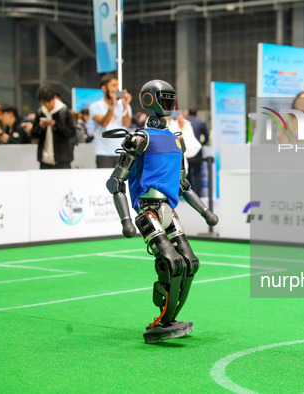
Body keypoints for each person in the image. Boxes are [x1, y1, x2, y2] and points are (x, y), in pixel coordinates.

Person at [104, 79, 217, 343]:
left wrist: (205, 212)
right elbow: (115, 182)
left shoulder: (177, 141)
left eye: (170, 97)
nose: (168, 102)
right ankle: (162, 321)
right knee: (170, 261)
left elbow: (182, 184)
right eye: (163, 97)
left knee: (190, 262)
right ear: (149, 100)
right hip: (148, 210)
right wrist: (126, 220)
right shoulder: (139, 139)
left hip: (167, 209)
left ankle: (169, 319)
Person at [89, 73, 133, 167]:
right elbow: (104, 123)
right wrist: (112, 106)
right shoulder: (95, 106)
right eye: (113, 85)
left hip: (122, 152)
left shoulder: (123, 105)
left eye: (117, 86)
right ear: (104, 88)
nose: (117, 89)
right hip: (104, 153)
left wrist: (125, 105)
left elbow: (127, 124)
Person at [31, 85, 76, 169]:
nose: (47, 105)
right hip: (44, 159)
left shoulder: (63, 111)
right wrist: (40, 127)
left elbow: (71, 132)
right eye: (44, 103)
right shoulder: (40, 112)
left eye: (49, 102)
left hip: (62, 159)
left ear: (54, 98)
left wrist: (55, 125)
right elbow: (33, 134)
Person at [184, 108, 209, 196]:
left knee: (187, 172)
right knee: (197, 173)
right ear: (197, 114)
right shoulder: (201, 123)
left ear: (187, 113)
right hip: (197, 150)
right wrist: (201, 144)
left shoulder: (183, 122)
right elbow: (206, 137)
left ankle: (188, 193)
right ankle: (197, 194)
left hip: (186, 150)